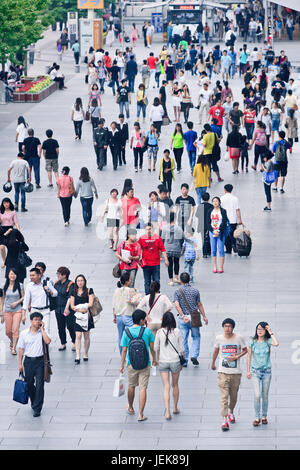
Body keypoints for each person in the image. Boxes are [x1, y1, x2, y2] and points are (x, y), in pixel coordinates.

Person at [211, 318, 247, 431]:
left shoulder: (239, 338)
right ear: (223, 327)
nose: (227, 328)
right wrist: (212, 363)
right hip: (222, 372)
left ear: (233, 328)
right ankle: (224, 420)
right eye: (225, 326)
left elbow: (246, 350)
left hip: (235, 372)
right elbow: (216, 351)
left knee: (234, 396)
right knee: (224, 397)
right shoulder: (219, 338)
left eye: (230, 326)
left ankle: (231, 411)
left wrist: (237, 356)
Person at [120, 309, 157, 421]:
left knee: (131, 386)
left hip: (131, 363)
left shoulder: (126, 332)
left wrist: (122, 365)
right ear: (141, 320)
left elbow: (124, 350)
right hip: (145, 363)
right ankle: (141, 414)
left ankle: (130, 407)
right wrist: (154, 359)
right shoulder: (147, 332)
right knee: (143, 388)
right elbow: (152, 348)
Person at [18, 311, 51, 417]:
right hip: (28, 362)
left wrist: (42, 329)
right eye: (35, 320)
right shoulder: (24, 333)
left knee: (40, 385)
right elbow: (21, 349)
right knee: (29, 384)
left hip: (40, 362)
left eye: (39, 320)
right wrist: (20, 364)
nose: (37, 321)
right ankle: (34, 401)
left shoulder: (43, 332)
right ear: (31, 321)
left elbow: (48, 341)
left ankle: (37, 408)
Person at [247, 322, 279, 426]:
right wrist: (248, 371)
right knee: (257, 395)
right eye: (258, 329)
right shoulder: (252, 341)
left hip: (267, 372)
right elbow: (249, 357)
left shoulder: (268, 341)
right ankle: (257, 417)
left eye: (262, 329)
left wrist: (270, 331)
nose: (259, 331)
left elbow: (276, 343)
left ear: (265, 331)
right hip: (255, 372)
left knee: (265, 395)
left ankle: (264, 416)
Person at [154, 311, 184, 419]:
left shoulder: (159, 332)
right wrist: (183, 361)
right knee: (175, 385)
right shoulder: (177, 332)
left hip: (163, 361)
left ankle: (167, 412)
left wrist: (156, 359)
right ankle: (175, 407)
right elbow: (182, 349)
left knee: (166, 387)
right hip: (175, 361)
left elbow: (155, 348)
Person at [174, 272, 208, 367]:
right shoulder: (195, 291)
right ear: (189, 279)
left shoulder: (177, 291)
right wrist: (204, 316)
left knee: (183, 339)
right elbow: (199, 304)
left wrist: (183, 315)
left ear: (180, 280)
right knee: (196, 337)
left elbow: (176, 305)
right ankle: (194, 355)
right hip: (194, 317)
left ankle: (184, 359)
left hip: (183, 318)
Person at [112, 272, 142, 354]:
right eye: (130, 280)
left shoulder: (116, 291)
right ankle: (132, 353)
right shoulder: (131, 290)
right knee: (133, 334)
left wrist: (114, 316)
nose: (131, 281)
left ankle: (122, 354)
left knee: (120, 336)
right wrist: (137, 292)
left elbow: (114, 305)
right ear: (127, 281)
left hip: (119, 316)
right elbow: (137, 301)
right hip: (128, 315)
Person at [22, 267, 57, 333]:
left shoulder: (47, 283)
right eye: (30, 275)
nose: (31, 277)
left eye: (33, 275)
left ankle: (45, 343)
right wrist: (23, 315)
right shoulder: (29, 285)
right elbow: (26, 300)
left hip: (45, 311)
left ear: (39, 275)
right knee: (34, 330)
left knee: (46, 330)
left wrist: (49, 291)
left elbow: (55, 293)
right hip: (34, 310)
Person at [69, 275, 95, 364]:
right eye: (78, 280)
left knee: (86, 335)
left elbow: (91, 304)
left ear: (84, 281)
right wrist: (79, 309)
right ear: (76, 282)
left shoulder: (89, 290)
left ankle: (85, 353)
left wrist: (85, 308)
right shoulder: (73, 291)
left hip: (87, 315)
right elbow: (72, 305)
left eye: (81, 280)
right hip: (77, 316)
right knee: (78, 335)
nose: (80, 282)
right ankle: (77, 355)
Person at [138, 223, 168, 295]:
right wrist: (138, 261)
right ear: (145, 230)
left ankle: (157, 295)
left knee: (156, 281)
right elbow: (138, 249)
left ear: (153, 229)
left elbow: (163, 249)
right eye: (147, 229)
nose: (148, 231)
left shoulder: (157, 238)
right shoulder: (141, 238)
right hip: (146, 264)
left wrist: (166, 260)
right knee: (147, 281)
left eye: (150, 229)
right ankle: (147, 296)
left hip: (156, 264)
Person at [0, 268, 24, 355]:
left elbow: (23, 297)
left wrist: (16, 302)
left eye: (14, 274)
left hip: (17, 310)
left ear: (16, 275)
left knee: (15, 329)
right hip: (7, 311)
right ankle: (12, 341)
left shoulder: (20, 285)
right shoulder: (4, 286)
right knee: (8, 331)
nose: (12, 276)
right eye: (11, 274)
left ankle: (13, 348)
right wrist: (1, 312)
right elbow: (1, 299)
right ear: (8, 275)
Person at [54, 266, 75, 351]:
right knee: (60, 326)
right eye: (57, 273)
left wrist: (67, 308)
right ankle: (63, 343)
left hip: (67, 309)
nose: (58, 275)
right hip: (58, 309)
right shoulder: (56, 283)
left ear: (64, 275)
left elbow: (70, 297)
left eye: (59, 274)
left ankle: (74, 342)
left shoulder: (70, 284)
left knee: (70, 326)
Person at [207, 196, 229, 273]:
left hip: (220, 233)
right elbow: (208, 223)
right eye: (213, 201)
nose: (215, 202)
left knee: (221, 249)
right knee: (213, 250)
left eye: (216, 201)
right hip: (212, 232)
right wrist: (213, 231)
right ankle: (214, 267)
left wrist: (218, 231)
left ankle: (221, 267)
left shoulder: (223, 211)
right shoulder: (210, 211)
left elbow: (224, 222)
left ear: (219, 202)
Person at [161, 212, 184, 286]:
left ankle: (171, 280)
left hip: (167, 248)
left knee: (170, 264)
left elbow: (162, 239)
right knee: (176, 262)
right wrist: (181, 246)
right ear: (175, 218)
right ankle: (176, 278)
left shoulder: (164, 228)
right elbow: (182, 238)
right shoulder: (178, 228)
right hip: (176, 247)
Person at [221, 184, 242, 255]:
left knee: (226, 235)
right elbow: (237, 209)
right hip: (233, 219)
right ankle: (235, 246)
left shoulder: (221, 198)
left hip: (225, 220)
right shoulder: (235, 198)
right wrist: (239, 219)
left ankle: (228, 249)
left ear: (225, 190)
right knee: (233, 234)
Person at [272, 130, 291, 195]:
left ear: (279, 136)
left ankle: (275, 187)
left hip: (277, 161)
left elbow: (273, 151)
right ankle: (281, 188)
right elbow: (289, 147)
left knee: (276, 174)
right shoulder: (286, 143)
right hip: (284, 161)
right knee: (283, 175)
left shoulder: (276, 143)